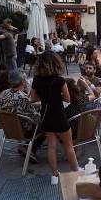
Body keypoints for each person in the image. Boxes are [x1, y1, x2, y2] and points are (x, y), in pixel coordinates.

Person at [29, 51, 79, 184]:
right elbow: (68, 99)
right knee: (69, 146)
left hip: (46, 116)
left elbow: (32, 98)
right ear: (56, 63)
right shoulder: (59, 80)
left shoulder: (36, 80)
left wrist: (45, 97)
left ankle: (55, 176)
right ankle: (76, 172)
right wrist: (56, 97)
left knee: (51, 146)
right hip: (59, 116)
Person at [0, 71, 45, 163]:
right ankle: (30, 149)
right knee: (46, 124)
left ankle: (26, 147)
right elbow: (36, 118)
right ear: (23, 82)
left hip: (8, 129)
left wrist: (33, 105)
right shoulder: (23, 97)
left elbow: (15, 108)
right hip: (23, 130)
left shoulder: (3, 93)